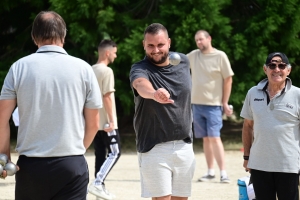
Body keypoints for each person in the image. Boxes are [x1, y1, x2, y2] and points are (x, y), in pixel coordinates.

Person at [0, 11, 102, 200]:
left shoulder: (18, 68)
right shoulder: (84, 69)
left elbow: (1, 119)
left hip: (31, 166)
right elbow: (94, 123)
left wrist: (4, 157)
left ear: (34, 37)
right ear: (64, 35)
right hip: (71, 164)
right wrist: (77, 150)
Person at [129, 23, 196, 200]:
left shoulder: (183, 62)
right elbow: (140, 84)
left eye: (160, 45)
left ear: (169, 42)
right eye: (150, 45)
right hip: (154, 147)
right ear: (144, 44)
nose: (155, 50)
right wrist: (154, 93)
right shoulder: (139, 68)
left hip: (184, 145)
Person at [240, 52, 300, 200]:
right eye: (272, 65)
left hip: (288, 165)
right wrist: (247, 156)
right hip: (259, 165)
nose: (277, 69)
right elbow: (248, 126)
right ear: (265, 69)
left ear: (288, 70)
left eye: (281, 65)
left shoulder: (298, 94)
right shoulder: (253, 93)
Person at [187, 30, 234, 183]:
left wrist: (224, 102)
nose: (199, 42)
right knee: (206, 139)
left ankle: (224, 173)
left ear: (209, 38)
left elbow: (228, 79)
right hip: (196, 104)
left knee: (215, 137)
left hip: (214, 105)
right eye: (196, 40)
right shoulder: (193, 55)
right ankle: (210, 172)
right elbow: (177, 63)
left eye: (201, 39)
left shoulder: (220, 56)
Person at [88, 39, 121, 200]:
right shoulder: (106, 71)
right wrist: (112, 120)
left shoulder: (90, 70)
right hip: (107, 123)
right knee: (116, 152)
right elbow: (107, 96)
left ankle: (98, 192)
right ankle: (98, 183)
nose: (115, 56)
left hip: (95, 122)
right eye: (114, 52)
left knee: (100, 155)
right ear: (107, 53)